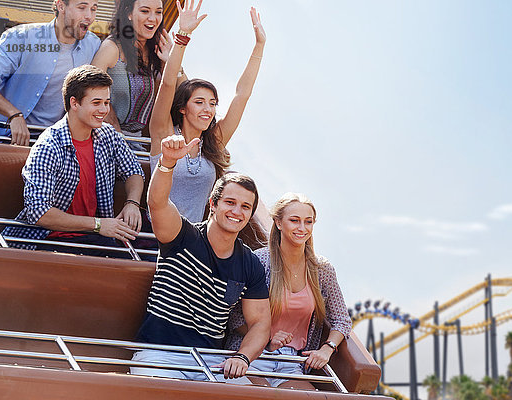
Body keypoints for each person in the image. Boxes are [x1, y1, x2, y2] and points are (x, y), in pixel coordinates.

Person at [131, 133, 270, 381]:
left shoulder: (250, 264)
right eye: (230, 202)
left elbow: (260, 323)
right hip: (160, 354)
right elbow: (158, 203)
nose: (237, 211)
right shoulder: (183, 235)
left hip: (210, 361)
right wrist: (167, 163)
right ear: (213, 205)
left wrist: (242, 357)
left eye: (245, 207)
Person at [2, 65, 145, 257]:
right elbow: (39, 212)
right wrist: (99, 224)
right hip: (49, 240)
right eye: (96, 103)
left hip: (96, 238)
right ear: (74, 103)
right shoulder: (49, 146)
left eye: (106, 102)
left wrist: (132, 203)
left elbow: (134, 171)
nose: (104, 110)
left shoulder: (108, 135)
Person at [148, 0, 265, 222]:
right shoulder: (164, 133)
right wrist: (183, 36)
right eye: (200, 102)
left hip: (193, 240)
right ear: (182, 108)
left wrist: (259, 45)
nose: (208, 109)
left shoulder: (214, 142)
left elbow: (242, 95)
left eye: (212, 103)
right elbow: (168, 84)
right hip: (155, 234)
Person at [225, 193, 352, 389]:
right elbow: (234, 318)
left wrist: (327, 349)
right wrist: (267, 339)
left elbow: (341, 320)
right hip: (251, 354)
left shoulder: (322, 269)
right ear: (278, 223)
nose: (302, 228)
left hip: (292, 362)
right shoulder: (257, 262)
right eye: (294, 220)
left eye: (308, 222)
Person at [0, 0, 102, 145]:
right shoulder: (21, 37)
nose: (89, 17)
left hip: (52, 144)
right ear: (61, 6)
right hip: (2, 138)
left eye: (93, 9)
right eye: (82, 8)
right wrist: (14, 115)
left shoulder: (94, 46)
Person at [91, 0, 174, 149]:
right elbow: (89, 91)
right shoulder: (112, 47)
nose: (153, 18)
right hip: (104, 140)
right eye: (145, 11)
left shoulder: (156, 52)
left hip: (139, 144)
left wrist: (170, 62)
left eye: (158, 12)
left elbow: (184, 95)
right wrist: (118, 141)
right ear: (129, 13)